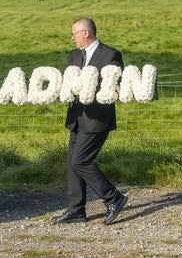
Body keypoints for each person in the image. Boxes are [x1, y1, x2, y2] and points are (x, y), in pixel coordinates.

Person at [52, 17, 128, 225]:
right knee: (72, 163)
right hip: (76, 118)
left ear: (86, 33)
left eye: (74, 34)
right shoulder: (74, 56)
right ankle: (76, 210)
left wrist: (118, 88)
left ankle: (114, 198)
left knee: (81, 161)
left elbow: (116, 82)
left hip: (97, 120)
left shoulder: (111, 54)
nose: (72, 38)